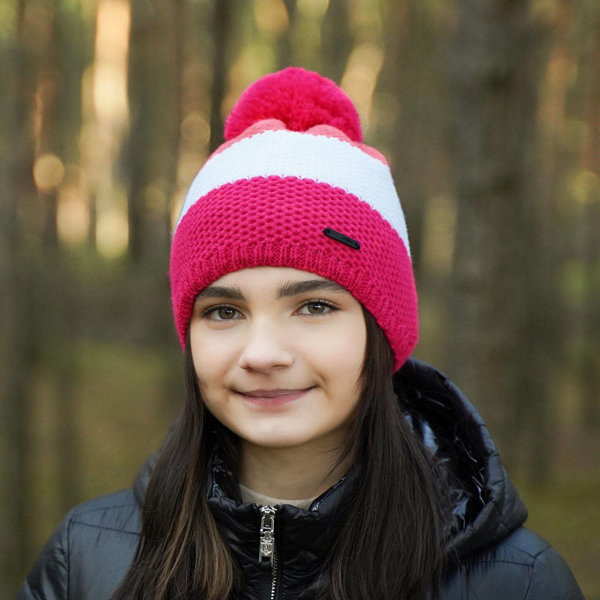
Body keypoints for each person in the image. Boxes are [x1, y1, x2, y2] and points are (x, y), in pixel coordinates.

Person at [17, 67, 584, 600]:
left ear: (381, 330)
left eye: (313, 306)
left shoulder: (519, 582)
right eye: (224, 312)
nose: (263, 354)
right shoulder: (87, 559)